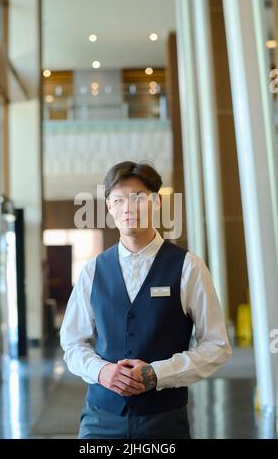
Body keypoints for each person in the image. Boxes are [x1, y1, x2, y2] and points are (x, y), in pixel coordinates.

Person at [60, 161, 232, 439]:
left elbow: (217, 345)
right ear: (108, 208)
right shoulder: (92, 271)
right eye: (119, 200)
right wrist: (102, 371)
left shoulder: (188, 266)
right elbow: (72, 343)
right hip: (99, 419)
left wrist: (157, 374)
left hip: (163, 421)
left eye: (138, 198)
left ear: (156, 203)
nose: (128, 208)